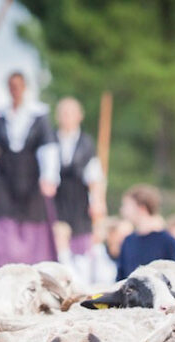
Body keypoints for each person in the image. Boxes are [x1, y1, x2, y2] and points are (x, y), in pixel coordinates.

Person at [0, 71, 60, 276]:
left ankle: (36, 273)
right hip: (5, 176)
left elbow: (48, 147)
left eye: (19, 86)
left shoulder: (39, 115)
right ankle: (2, 273)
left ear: (25, 88)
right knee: (3, 224)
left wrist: (49, 177)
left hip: (31, 176)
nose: (15, 90)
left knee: (34, 223)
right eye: (11, 86)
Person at [54, 97, 106, 257]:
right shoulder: (50, 139)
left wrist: (97, 201)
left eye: (70, 113)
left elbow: (94, 176)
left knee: (81, 245)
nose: (67, 117)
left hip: (79, 200)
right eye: (63, 113)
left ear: (79, 116)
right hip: (56, 198)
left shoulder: (86, 142)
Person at [116, 184, 175, 279]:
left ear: (141, 208)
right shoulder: (128, 241)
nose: (122, 210)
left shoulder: (167, 241)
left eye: (127, 205)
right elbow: (121, 278)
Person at [86, 216, 131, 287]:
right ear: (111, 235)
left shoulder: (130, 258)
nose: (126, 240)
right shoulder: (97, 252)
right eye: (121, 235)